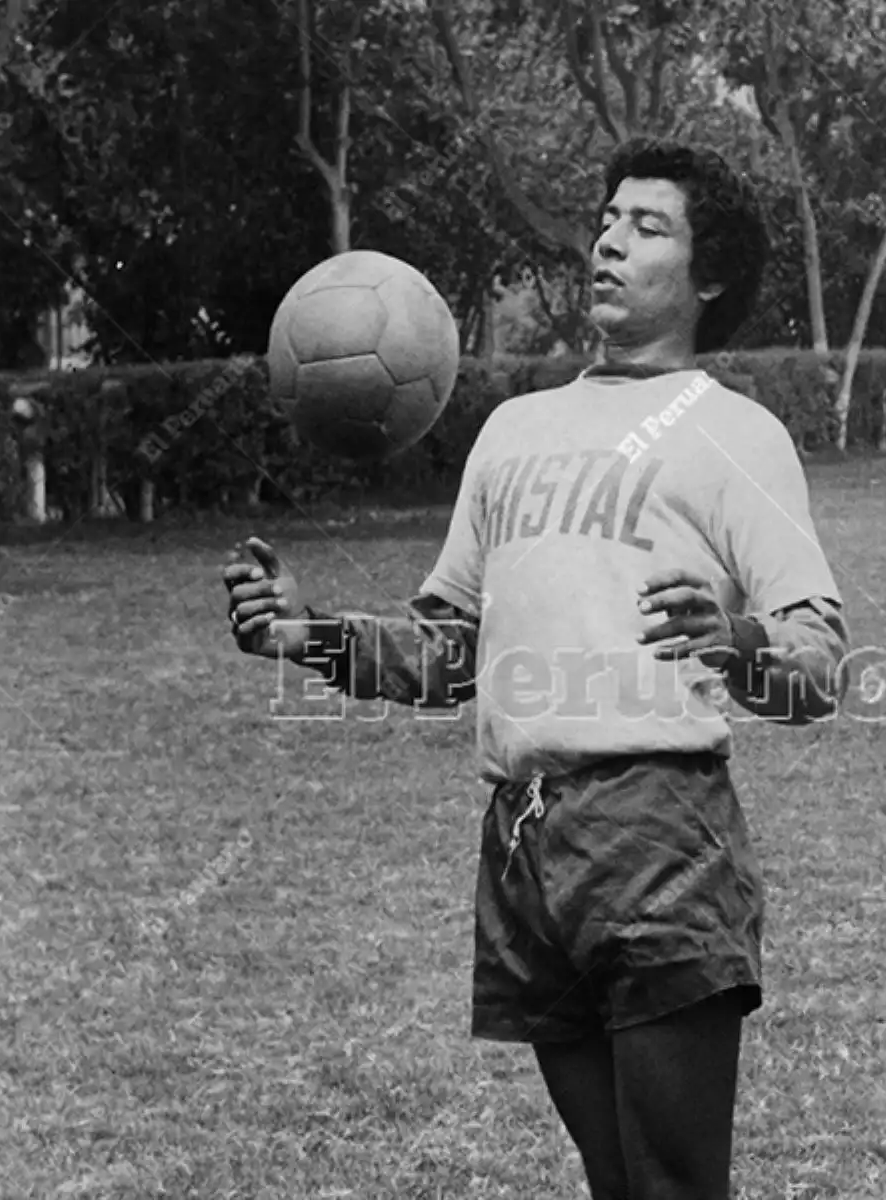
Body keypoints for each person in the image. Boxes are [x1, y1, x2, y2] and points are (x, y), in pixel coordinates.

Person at [222, 137, 850, 1200]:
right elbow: (446, 650)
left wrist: (737, 641)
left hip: (660, 836)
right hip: (522, 844)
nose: (609, 239)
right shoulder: (514, 431)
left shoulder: (737, 436)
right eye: (608, 218)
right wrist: (307, 634)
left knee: (674, 1189)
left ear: (708, 276)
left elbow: (820, 662)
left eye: (648, 226)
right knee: (616, 1186)